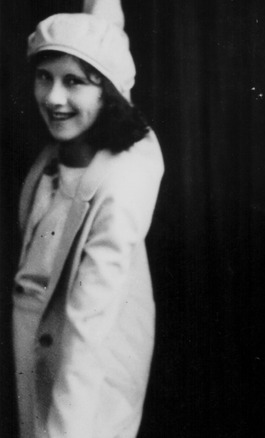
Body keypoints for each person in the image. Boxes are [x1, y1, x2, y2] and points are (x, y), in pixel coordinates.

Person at [13, 0, 163, 436]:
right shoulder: (62, 153)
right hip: (39, 343)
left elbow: (88, 328)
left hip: (91, 367)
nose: (53, 98)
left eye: (73, 82)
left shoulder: (122, 185)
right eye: (45, 77)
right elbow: (103, 33)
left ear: (109, 92)